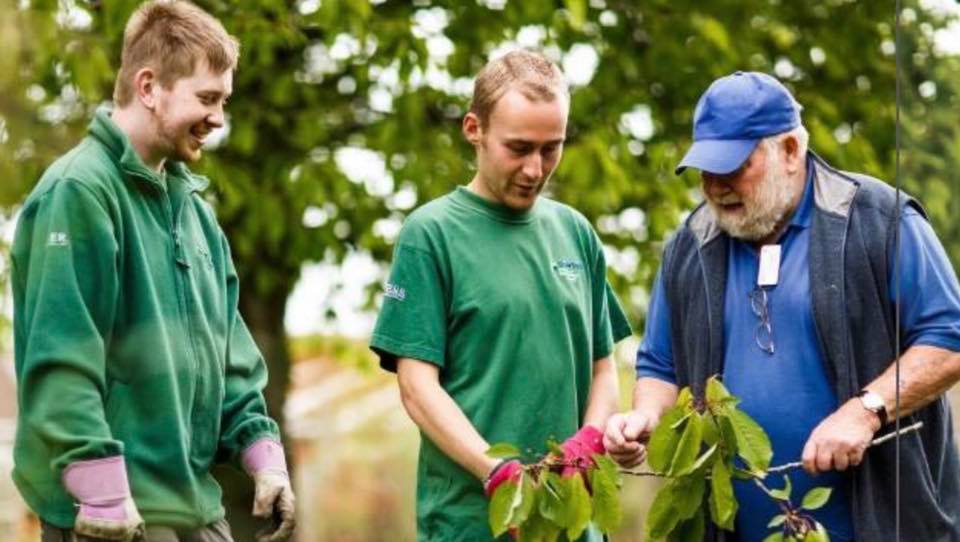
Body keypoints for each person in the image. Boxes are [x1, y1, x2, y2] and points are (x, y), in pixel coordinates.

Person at [603, 71, 960, 541]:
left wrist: (866, 409)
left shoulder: (879, 220)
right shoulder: (690, 246)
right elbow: (660, 364)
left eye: (733, 168)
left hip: (885, 525)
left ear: (790, 151)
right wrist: (644, 419)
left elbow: (949, 337)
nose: (716, 185)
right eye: (706, 170)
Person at [11, 2, 295, 541]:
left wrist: (266, 460)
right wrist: (100, 490)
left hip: (193, 505)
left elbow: (229, 357)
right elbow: (61, 360)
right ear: (148, 87)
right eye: (206, 98)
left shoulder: (196, 215)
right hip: (111, 513)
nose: (218, 118)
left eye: (224, 100)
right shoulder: (78, 193)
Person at [369, 49, 632, 541]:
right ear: (475, 129)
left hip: (572, 525)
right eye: (519, 148)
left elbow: (603, 368)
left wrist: (589, 441)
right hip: (470, 525)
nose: (535, 169)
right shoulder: (431, 234)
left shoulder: (575, 232)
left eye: (551, 148)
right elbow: (417, 387)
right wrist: (496, 471)